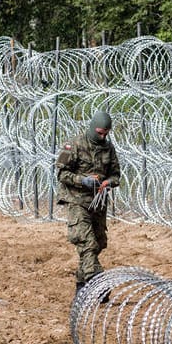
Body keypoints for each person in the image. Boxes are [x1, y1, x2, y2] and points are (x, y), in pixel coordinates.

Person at [56, 110, 121, 294]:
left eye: (106, 134)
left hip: (98, 202)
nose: (102, 137)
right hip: (76, 201)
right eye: (99, 132)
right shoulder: (74, 145)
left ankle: (81, 285)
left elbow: (115, 174)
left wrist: (108, 182)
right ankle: (97, 282)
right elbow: (61, 173)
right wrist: (82, 180)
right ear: (93, 128)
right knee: (87, 242)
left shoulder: (108, 148)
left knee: (98, 244)